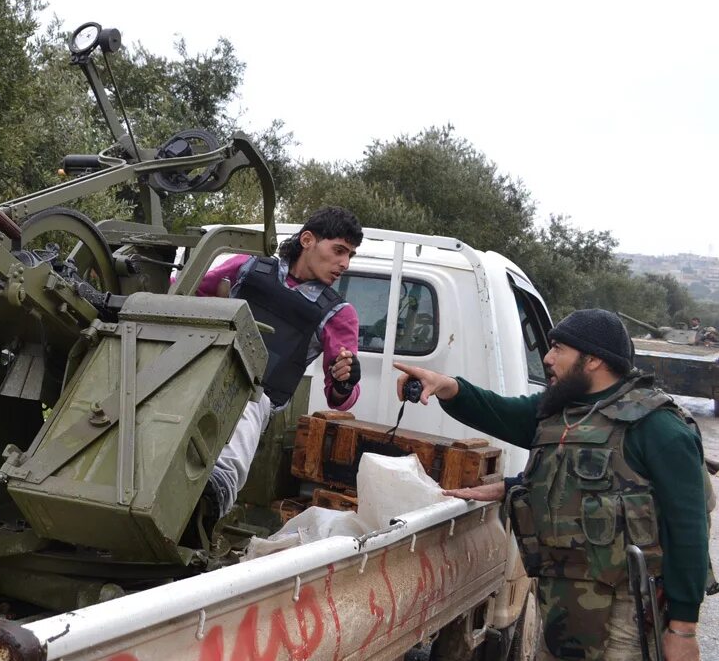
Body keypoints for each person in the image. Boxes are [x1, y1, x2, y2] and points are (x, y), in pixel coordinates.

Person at [393, 309, 714, 661]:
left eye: (558, 348)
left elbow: (688, 530)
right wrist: (447, 386)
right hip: (561, 606)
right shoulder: (559, 412)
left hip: (626, 614)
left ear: (592, 360)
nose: (547, 358)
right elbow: (497, 411)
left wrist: (683, 629)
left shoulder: (657, 426)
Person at [197, 205, 363, 517]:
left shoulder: (338, 313)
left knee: (249, 406)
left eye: (350, 255)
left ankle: (215, 494)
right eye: (339, 250)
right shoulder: (247, 268)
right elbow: (186, 292)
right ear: (308, 240)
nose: (344, 263)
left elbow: (340, 399)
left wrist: (346, 380)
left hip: (256, 396)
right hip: (202, 374)